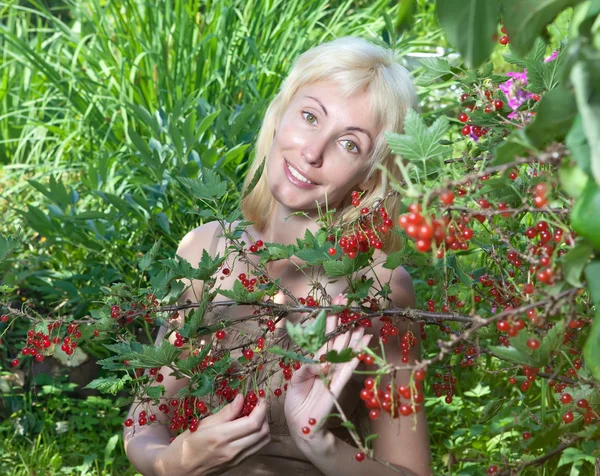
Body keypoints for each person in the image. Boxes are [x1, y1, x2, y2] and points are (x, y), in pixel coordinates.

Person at [124, 35, 432, 476]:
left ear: (369, 175)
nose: (311, 153)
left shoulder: (380, 287)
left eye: (349, 144)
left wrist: (320, 442)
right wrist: (175, 462)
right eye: (310, 116)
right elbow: (143, 421)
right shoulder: (205, 249)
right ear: (279, 114)